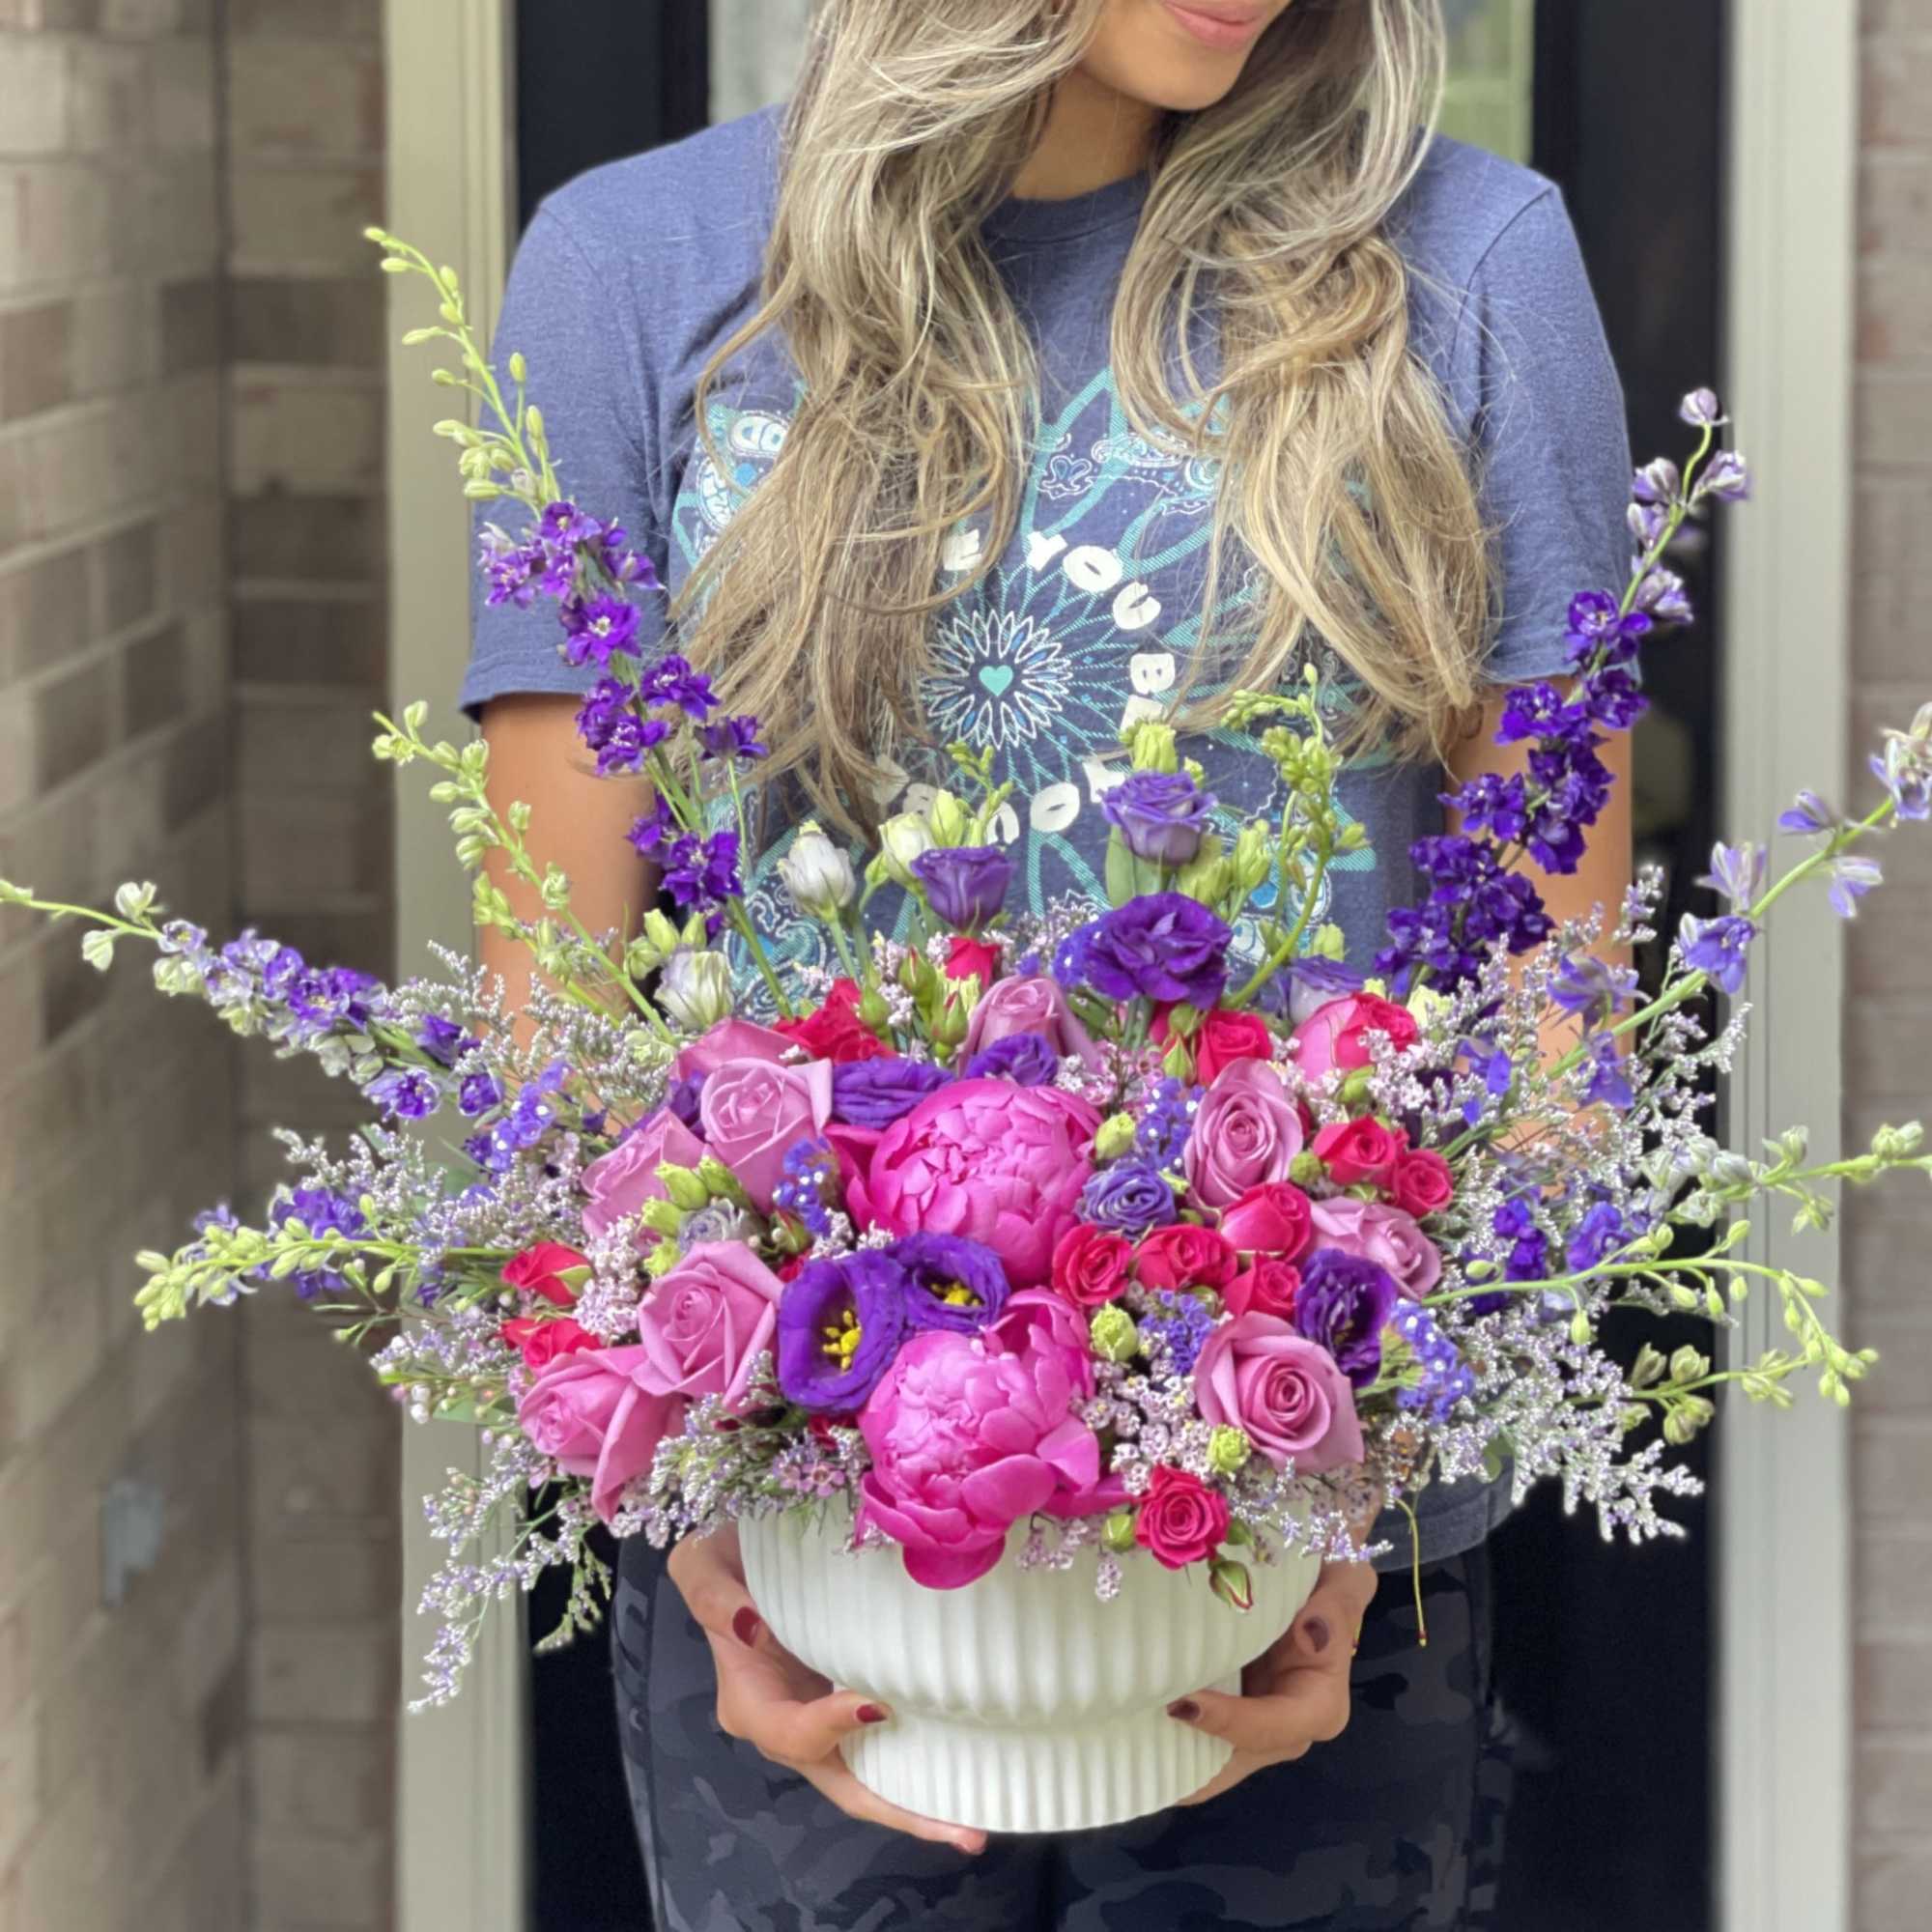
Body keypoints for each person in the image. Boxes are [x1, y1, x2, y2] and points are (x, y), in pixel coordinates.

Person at [467, 2, 1634, 1924]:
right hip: (806, 1545)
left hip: (1305, 1533)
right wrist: (686, 1512)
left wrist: (1369, 1513)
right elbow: (550, 999)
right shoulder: (635, 268)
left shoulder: (1465, 265)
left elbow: (1552, 1003)